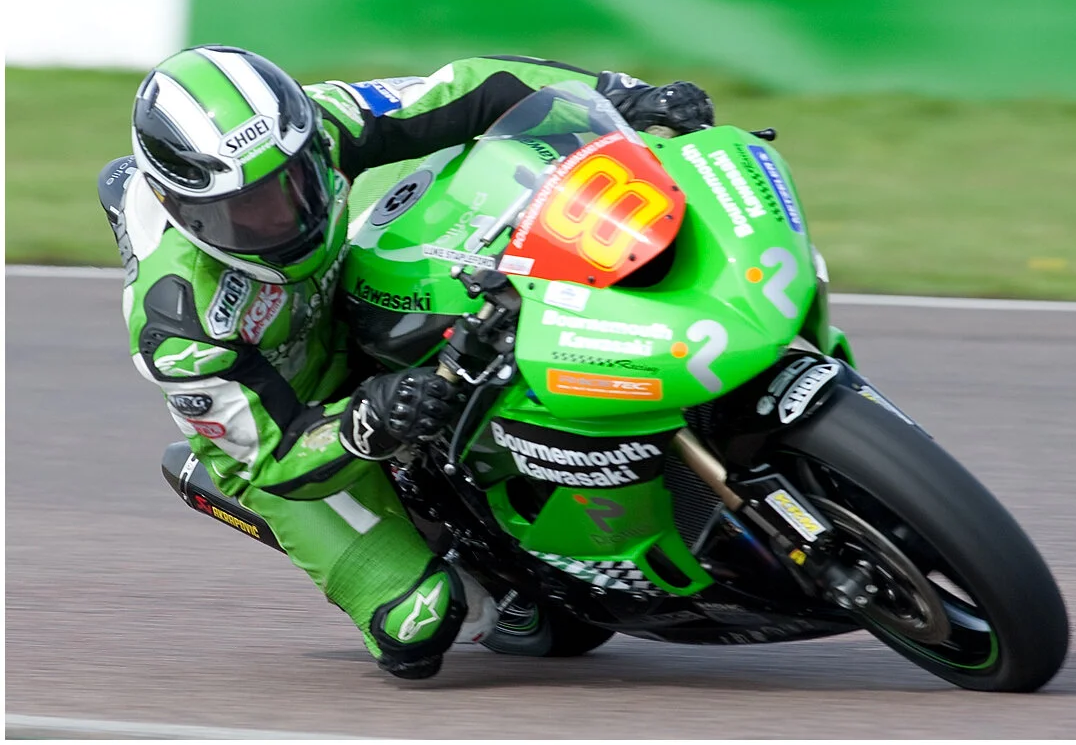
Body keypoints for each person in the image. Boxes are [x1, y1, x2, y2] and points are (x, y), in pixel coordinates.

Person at [97, 45, 714, 680]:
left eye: (296, 181)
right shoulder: (180, 323)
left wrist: (623, 94)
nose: (285, 214)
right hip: (287, 427)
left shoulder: (317, 123)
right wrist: (365, 420)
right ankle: (475, 581)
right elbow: (275, 455)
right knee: (419, 625)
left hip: (347, 306)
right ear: (185, 213)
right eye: (247, 210)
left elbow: (477, 87)